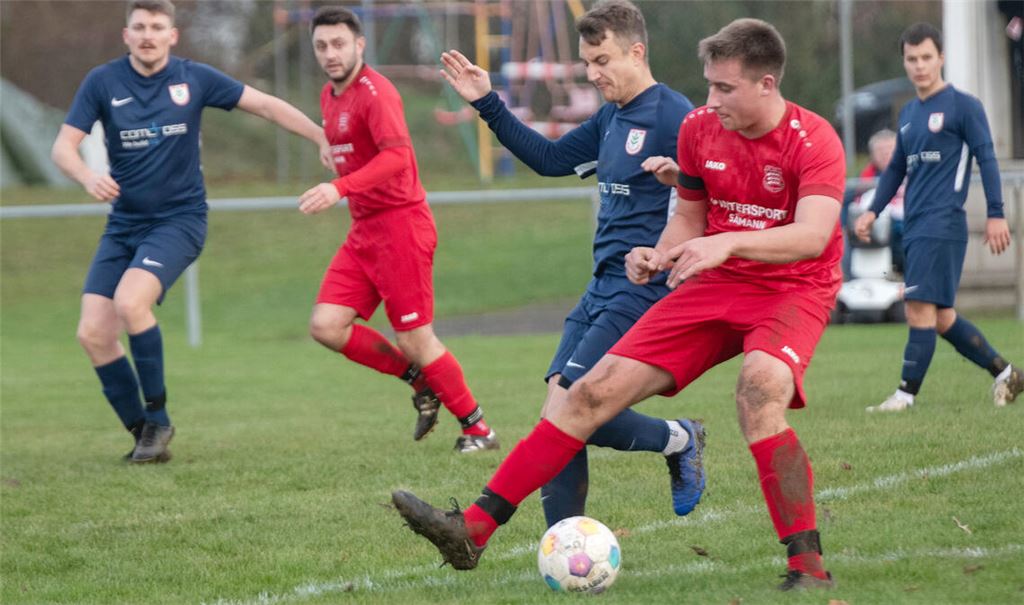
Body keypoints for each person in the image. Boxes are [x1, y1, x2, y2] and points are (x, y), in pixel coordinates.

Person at [393, 18, 844, 591]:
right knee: (585, 395)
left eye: (725, 89)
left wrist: (724, 241)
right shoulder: (701, 129)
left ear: (767, 84)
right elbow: (686, 213)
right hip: (708, 279)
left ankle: (808, 567)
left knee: (758, 392)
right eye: (709, 85)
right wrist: (659, 255)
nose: (710, 101)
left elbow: (813, 235)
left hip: (792, 287)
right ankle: (471, 531)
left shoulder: (814, 139)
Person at [438, 0, 702, 526]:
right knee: (557, 415)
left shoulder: (676, 115)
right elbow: (550, 160)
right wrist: (488, 101)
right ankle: (671, 445)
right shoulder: (610, 117)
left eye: (602, 60)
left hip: (644, 286)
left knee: (569, 411)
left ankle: (679, 440)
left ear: (637, 51)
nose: (593, 73)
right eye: (587, 63)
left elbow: (714, 187)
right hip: (601, 284)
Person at [51, 0, 330, 463]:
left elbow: (262, 104)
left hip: (178, 221)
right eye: (139, 26)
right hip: (124, 224)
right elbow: (63, 147)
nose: (147, 34)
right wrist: (86, 177)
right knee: (93, 333)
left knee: (129, 302)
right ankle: (143, 432)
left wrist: (319, 135)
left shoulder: (193, 78)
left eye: (157, 27)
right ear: (127, 36)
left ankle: (158, 419)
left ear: (171, 36)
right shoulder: (103, 81)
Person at [296, 6, 497, 453]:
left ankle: (479, 429)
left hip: (401, 226)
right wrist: (335, 155)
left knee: (414, 336)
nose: (330, 53)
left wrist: (339, 187)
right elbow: (353, 146)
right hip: (364, 231)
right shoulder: (331, 95)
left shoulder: (376, 92)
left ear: (359, 45)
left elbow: (397, 158)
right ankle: (422, 381)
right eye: (321, 46)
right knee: (326, 325)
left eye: (339, 44)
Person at [854, 23, 1022, 412]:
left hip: (943, 222)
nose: (919, 66)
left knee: (918, 309)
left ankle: (904, 395)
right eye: (912, 59)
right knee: (941, 317)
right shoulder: (910, 113)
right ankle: (1006, 372)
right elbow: (895, 169)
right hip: (916, 225)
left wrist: (997, 214)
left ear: (941, 58)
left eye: (927, 57)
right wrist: (871, 211)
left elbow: (987, 157)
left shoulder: (964, 106)